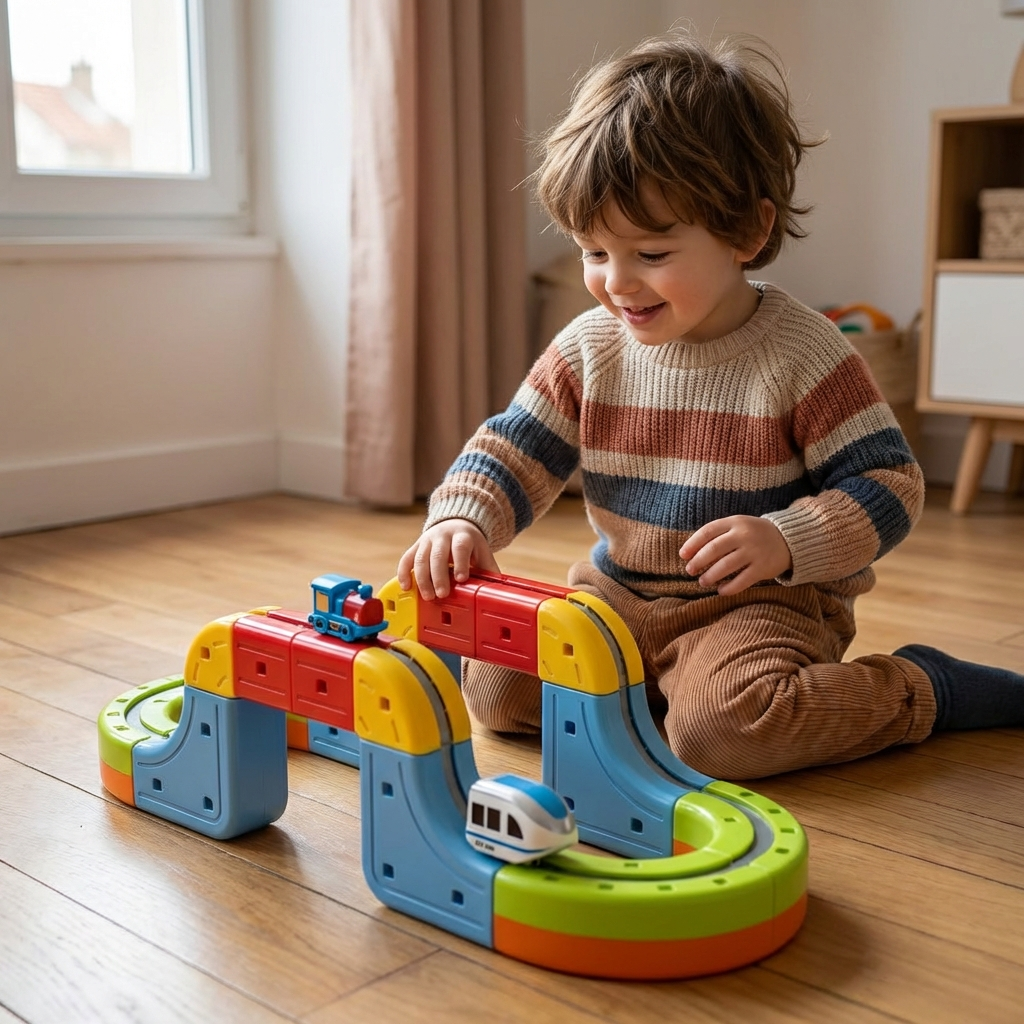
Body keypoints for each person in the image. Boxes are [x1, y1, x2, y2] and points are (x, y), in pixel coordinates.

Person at [397, 31, 1024, 779]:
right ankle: (668, 693)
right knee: (496, 692)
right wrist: (463, 515)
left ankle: (926, 687)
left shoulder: (805, 352)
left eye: (651, 255)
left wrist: (786, 539)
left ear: (747, 233)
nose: (616, 282)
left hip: (757, 606)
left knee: (726, 734)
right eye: (594, 252)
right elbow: (513, 448)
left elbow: (891, 485)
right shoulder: (589, 346)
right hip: (619, 593)